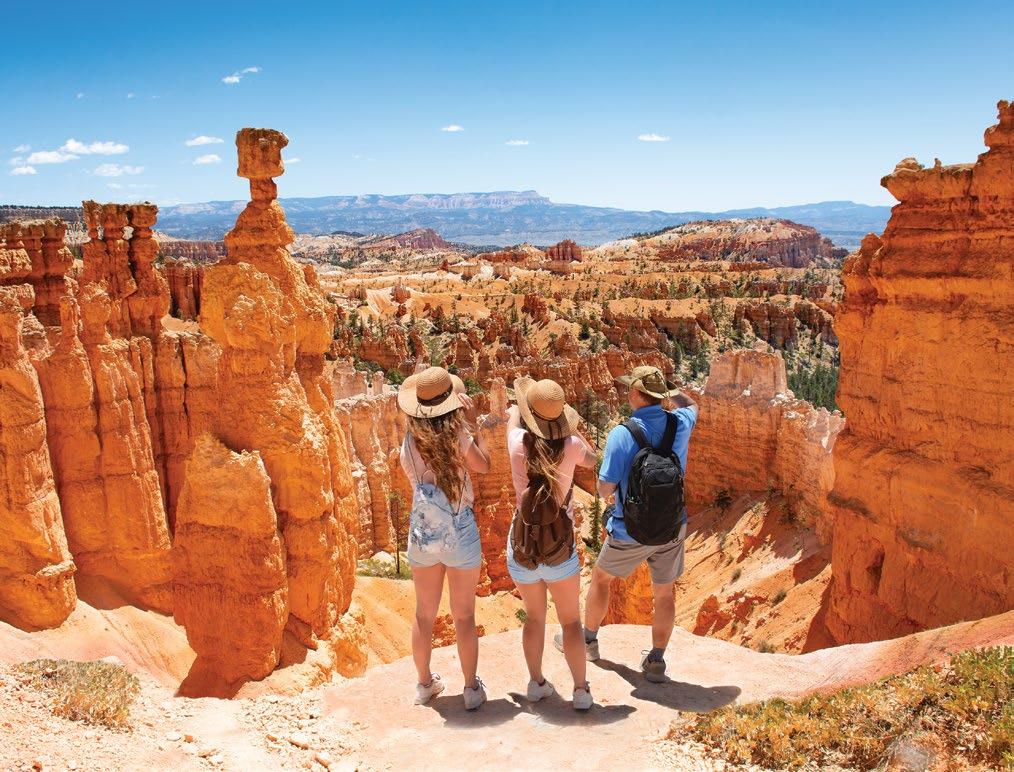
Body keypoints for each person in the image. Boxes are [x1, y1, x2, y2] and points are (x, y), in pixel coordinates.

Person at [557, 365, 697, 683]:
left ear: (634, 393)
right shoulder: (681, 422)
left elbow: (604, 489)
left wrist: (606, 487)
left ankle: (588, 642)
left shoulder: (622, 434)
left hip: (629, 529)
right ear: (661, 395)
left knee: (601, 579)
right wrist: (671, 390)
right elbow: (691, 405)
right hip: (672, 525)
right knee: (665, 594)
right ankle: (657, 661)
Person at [398, 366, 491, 709]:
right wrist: (473, 423)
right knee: (463, 615)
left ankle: (424, 685)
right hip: (460, 529)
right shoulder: (459, 437)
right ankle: (470, 689)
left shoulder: (409, 443)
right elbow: (483, 466)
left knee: (424, 614)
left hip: (424, 533)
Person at [506, 377, 598, 710]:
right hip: (560, 547)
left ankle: (536, 684)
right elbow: (592, 459)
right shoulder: (571, 445)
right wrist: (573, 430)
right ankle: (581, 692)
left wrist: (515, 410)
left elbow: (512, 421)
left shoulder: (516, 442)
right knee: (571, 622)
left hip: (523, 546)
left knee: (534, 618)